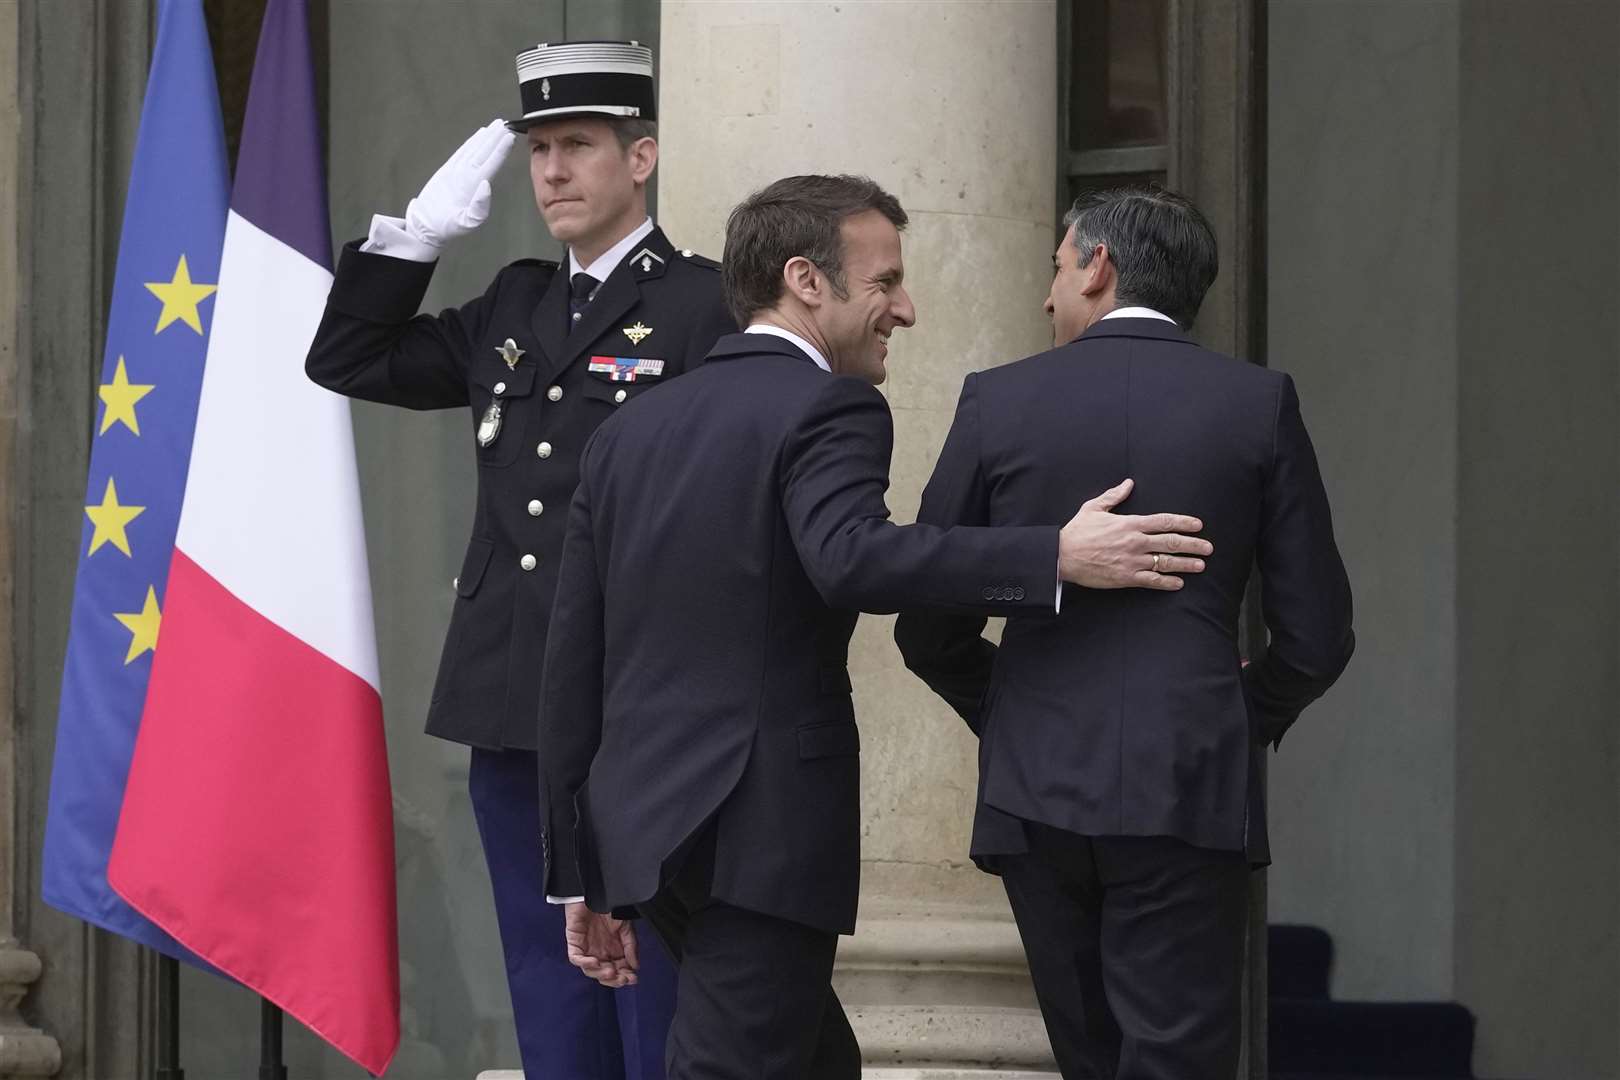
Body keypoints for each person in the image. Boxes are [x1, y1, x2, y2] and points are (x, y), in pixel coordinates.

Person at [537, 174, 1217, 1079]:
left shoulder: (630, 430)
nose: (906, 308)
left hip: (646, 830)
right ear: (805, 281)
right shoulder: (830, 405)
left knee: (816, 1062)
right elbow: (850, 556)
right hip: (758, 827)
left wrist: (577, 868)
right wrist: (1051, 554)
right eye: (886, 281)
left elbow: (571, 655)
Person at [305, 40, 732, 1080]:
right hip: (511, 694)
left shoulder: (704, 305)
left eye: (578, 146)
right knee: (545, 978)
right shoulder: (513, 302)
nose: (551, 171)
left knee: (651, 977)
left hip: (639, 696)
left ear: (643, 158)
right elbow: (348, 359)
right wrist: (408, 242)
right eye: (540, 148)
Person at [894, 186, 1355, 1079]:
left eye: (1056, 267)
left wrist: (1013, 708)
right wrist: (1235, 716)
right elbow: (1318, 633)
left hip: (1034, 786)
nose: (1047, 294)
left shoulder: (998, 399)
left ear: (1098, 266)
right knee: (1178, 1059)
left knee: (1086, 1058)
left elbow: (929, 626)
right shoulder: (1258, 402)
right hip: (1187, 780)